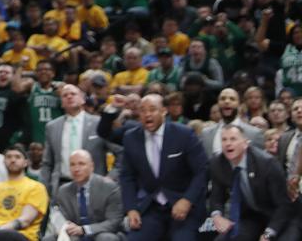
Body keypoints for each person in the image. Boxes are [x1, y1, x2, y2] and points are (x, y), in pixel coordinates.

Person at [118, 94, 207, 241]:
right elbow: (127, 176)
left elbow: (202, 170)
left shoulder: (184, 134)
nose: (147, 114)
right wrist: (131, 208)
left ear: (164, 111)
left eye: (152, 109)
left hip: (183, 205)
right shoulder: (131, 137)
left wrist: (187, 200)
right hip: (151, 207)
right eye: (143, 110)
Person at [207, 124, 293, 241]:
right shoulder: (217, 163)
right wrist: (217, 216)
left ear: (245, 143)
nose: (228, 143)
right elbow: (216, 197)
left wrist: (269, 233)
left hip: (280, 217)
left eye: (233, 139)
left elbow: (283, 205)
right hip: (251, 216)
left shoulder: (267, 164)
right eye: (224, 139)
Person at [44, 150, 124, 241]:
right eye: (72, 165)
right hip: (75, 235)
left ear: (92, 166)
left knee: (106, 238)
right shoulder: (63, 191)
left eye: (81, 164)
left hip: (102, 232)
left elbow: (114, 222)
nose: (76, 169)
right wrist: (66, 227)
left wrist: (84, 230)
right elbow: (62, 218)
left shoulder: (109, 187)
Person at [42, 85, 109, 188]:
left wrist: (110, 178)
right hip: (62, 185)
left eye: (73, 94)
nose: (69, 97)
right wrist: (45, 187)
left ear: (82, 99)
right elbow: (47, 162)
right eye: (65, 95)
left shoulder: (98, 122)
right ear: (61, 103)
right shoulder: (52, 127)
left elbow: (120, 153)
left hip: (94, 185)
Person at [201, 88, 266, 154]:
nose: (227, 101)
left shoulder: (254, 134)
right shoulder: (206, 134)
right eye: (222, 99)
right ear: (218, 103)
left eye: (232, 99)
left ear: (239, 104)